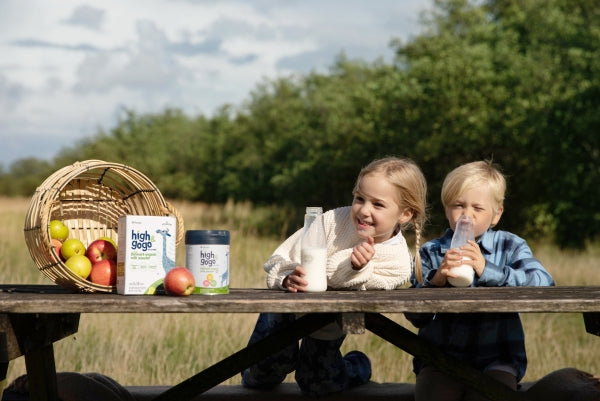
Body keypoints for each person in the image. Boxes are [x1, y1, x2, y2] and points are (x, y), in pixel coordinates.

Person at [241, 156, 428, 396]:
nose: (364, 210)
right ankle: (278, 358)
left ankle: (357, 364)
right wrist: (286, 277)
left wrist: (355, 267)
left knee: (317, 385)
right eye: (359, 198)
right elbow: (280, 257)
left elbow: (346, 283)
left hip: (328, 324)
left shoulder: (399, 262)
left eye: (378, 205)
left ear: (405, 214)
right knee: (259, 378)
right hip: (283, 315)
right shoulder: (333, 221)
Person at [406, 160, 555, 401]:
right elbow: (414, 316)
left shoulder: (509, 246)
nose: (467, 214)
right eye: (458, 205)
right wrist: (437, 280)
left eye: (478, 208)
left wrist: (488, 270)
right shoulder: (431, 252)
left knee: (492, 393)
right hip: (440, 358)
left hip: (497, 357)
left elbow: (544, 284)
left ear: (497, 214)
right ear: (446, 209)